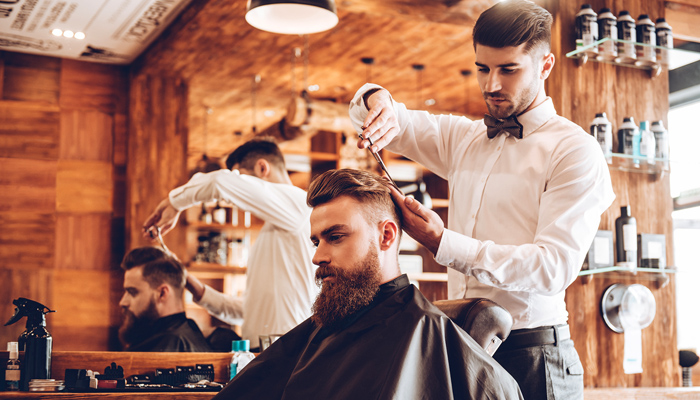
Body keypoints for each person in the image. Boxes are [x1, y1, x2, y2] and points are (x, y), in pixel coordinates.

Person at [348, 2, 615, 399]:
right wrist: (378, 100)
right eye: (482, 68)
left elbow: (553, 268)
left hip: (535, 356)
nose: (491, 84)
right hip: (466, 346)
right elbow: (372, 110)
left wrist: (443, 243)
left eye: (509, 69)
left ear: (545, 66)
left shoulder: (575, 151)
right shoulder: (463, 138)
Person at [213, 169, 522, 400]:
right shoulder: (328, 322)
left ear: (385, 236)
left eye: (335, 237)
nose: (318, 256)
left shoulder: (427, 332)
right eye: (316, 241)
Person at [142, 138, 317, 348]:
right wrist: (192, 284)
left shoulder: (298, 205)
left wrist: (174, 202)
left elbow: (220, 183)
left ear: (262, 168)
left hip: (289, 351)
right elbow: (251, 311)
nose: (236, 194)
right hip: (264, 351)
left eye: (241, 179)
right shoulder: (276, 229)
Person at [118, 246, 212, 352]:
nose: (123, 302)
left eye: (132, 292)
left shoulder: (167, 347)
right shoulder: (188, 331)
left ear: (162, 293)